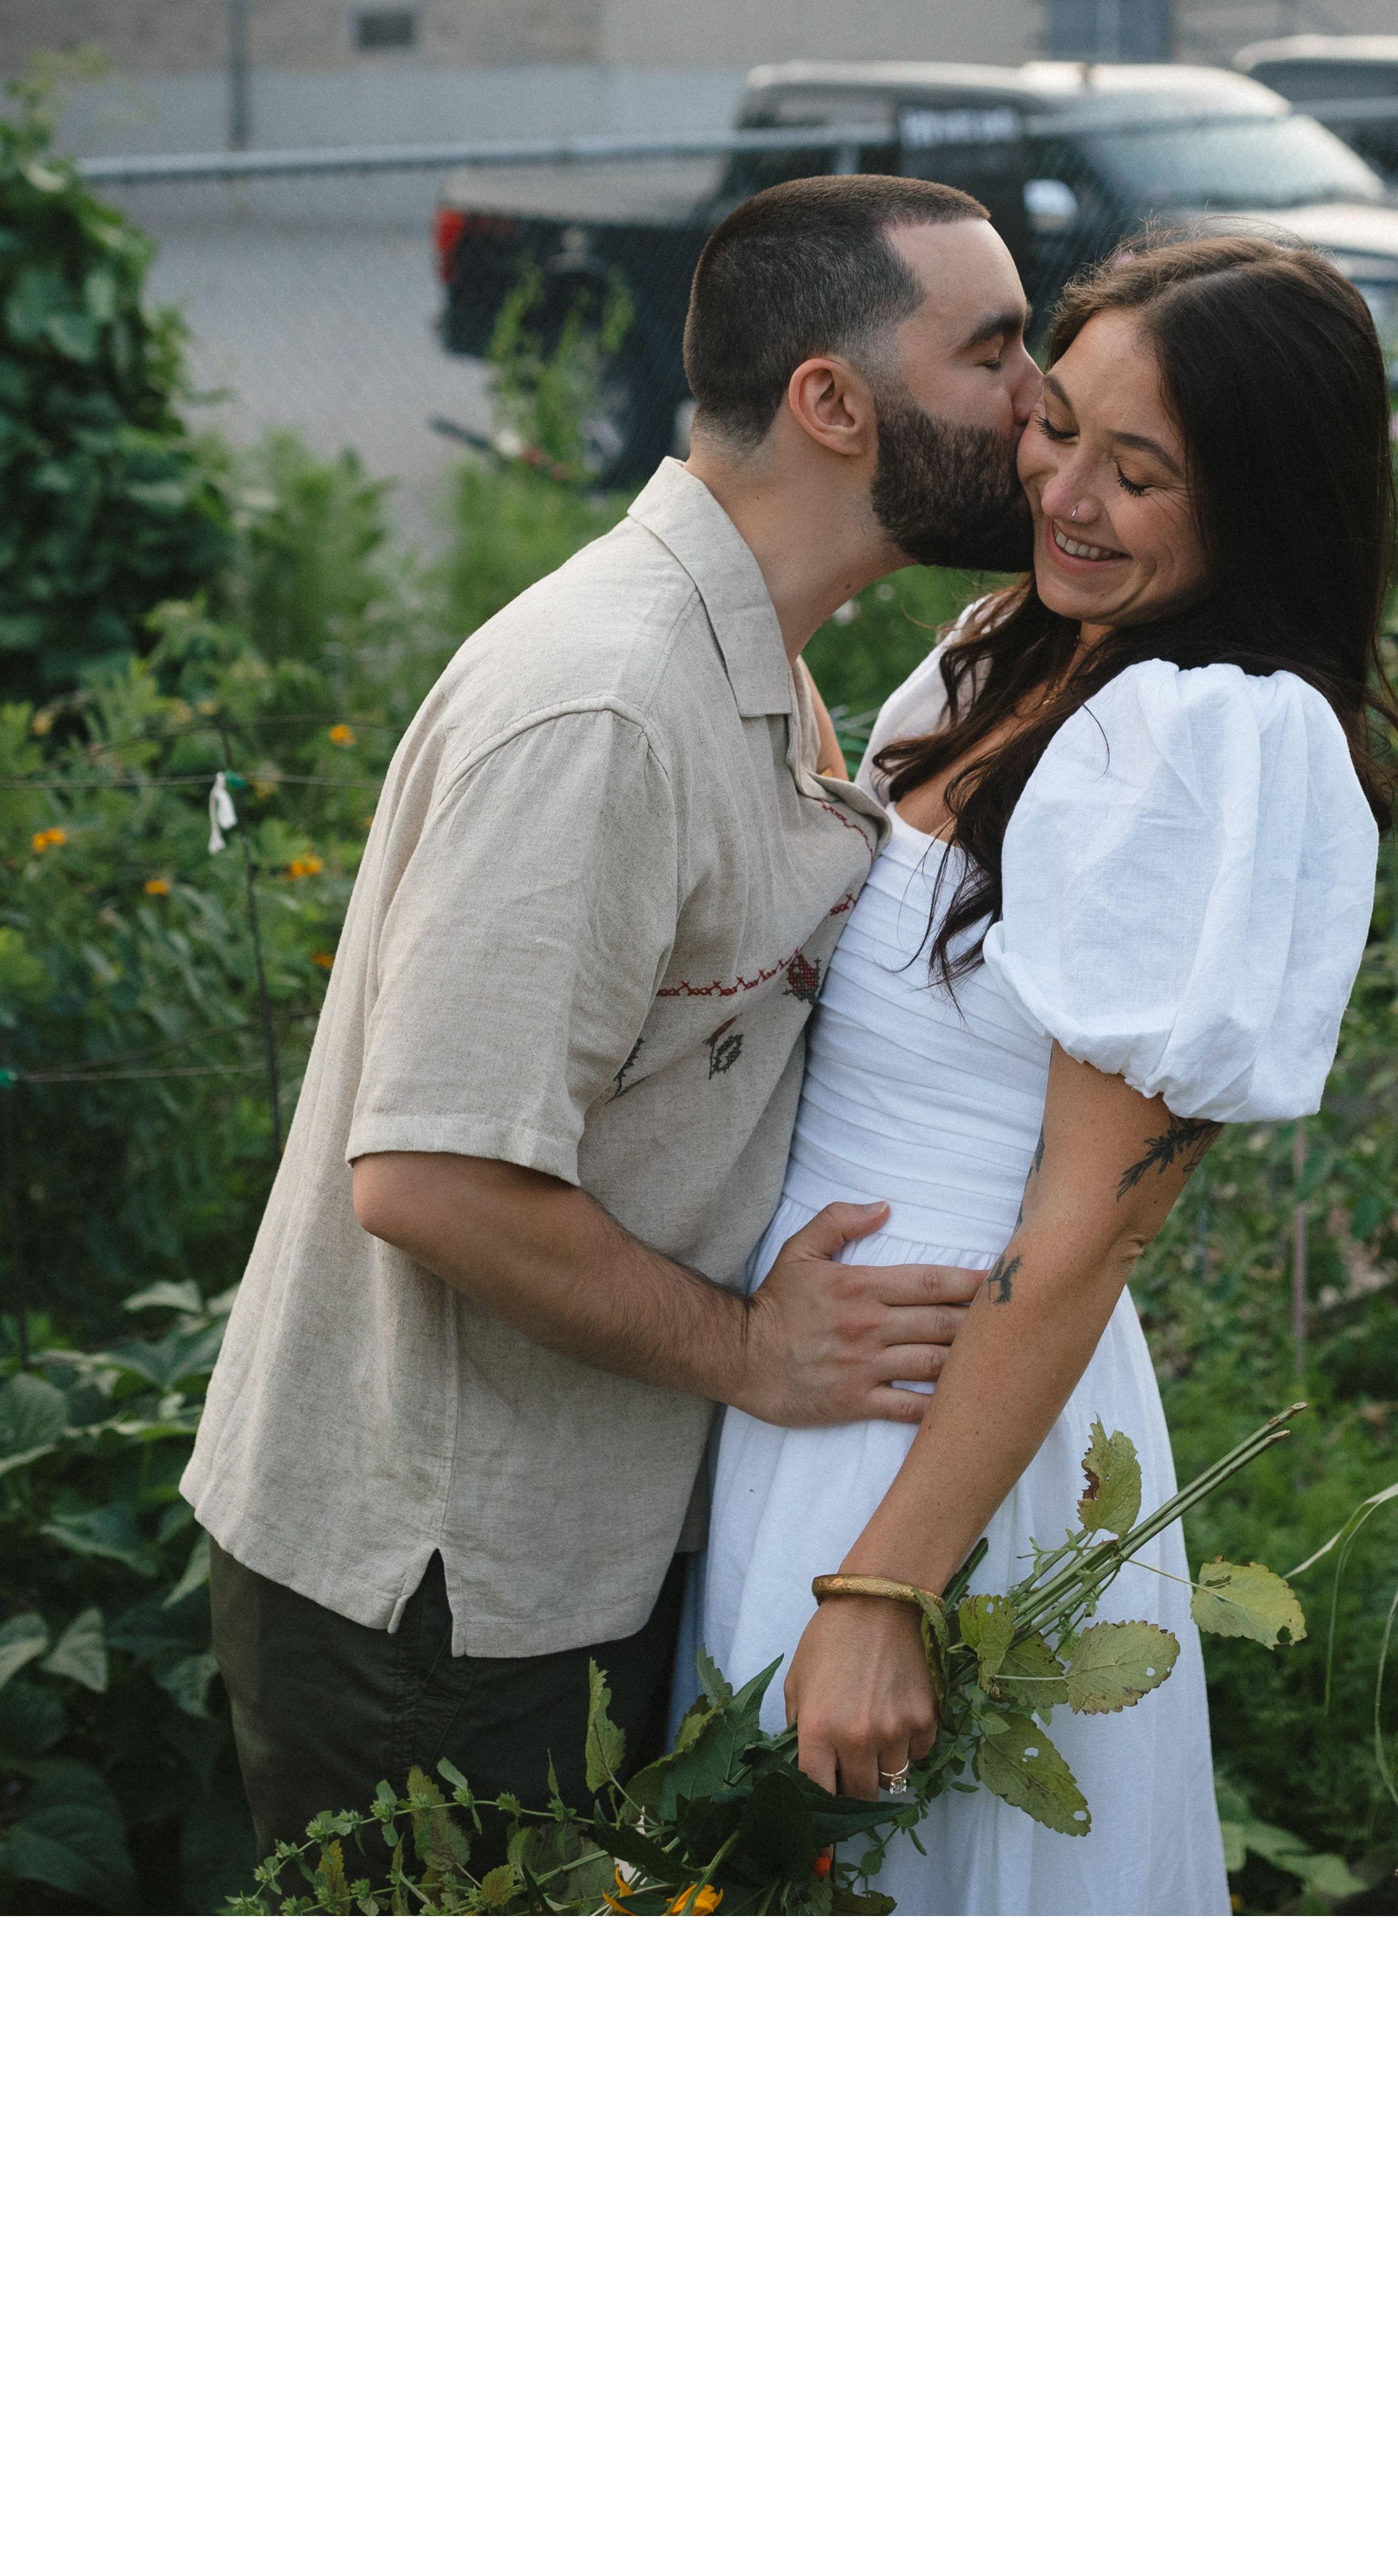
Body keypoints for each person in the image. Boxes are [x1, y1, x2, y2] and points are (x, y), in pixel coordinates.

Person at [184, 170, 1044, 1855]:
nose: (1042, 399)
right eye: (995, 351)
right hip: (440, 1599)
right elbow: (431, 1179)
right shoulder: (607, 709)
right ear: (833, 403)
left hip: (559, 1560)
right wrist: (753, 1352)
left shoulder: (753, 654)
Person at [692, 230, 1398, 1915]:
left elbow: (1093, 1218)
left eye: (1139, 476)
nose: (1066, 496)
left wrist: (888, 1589)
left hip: (951, 1430)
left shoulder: (1210, 737)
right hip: (817, 1376)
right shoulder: (1013, 646)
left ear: (1259, 504)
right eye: (1058, 425)